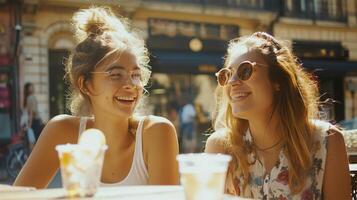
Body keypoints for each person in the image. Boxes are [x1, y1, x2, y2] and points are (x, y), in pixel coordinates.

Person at [14, 7, 179, 188]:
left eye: (136, 75)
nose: (131, 84)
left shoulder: (156, 132)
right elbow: (19, 195)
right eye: (116, 74)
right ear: (86, 85)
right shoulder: (61, 131)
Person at [205, 32, 351, 199]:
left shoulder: (328, 141)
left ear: (278, 82)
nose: (232, 81)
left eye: (245, 70)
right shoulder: (220, 148)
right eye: (227, 75)